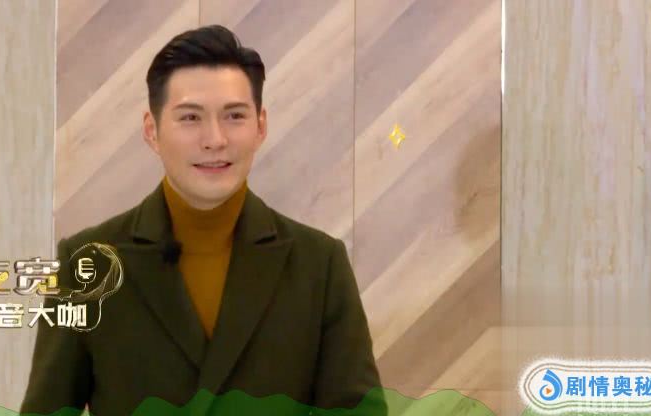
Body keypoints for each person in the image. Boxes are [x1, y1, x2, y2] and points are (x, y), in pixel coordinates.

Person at [20, 25, 386, 416]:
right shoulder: (85, 262)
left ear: (260, 126)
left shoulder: (319, 264)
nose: (214, 139)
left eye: (234, 116)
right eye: (191, 117)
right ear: (152, 131)